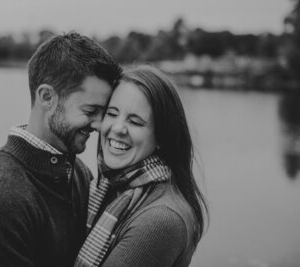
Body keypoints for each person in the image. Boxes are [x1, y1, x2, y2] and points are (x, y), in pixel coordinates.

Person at [0, 32, 121, 267]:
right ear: (47, 97)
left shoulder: (79, 174)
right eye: (90, 111)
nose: (99, 125)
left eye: (103, 113)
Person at [74, 64, 208, 267]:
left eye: (135, 122)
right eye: (112, 113)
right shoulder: (107, 187)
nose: (117, 128)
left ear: (162, 136)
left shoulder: (160, 220)